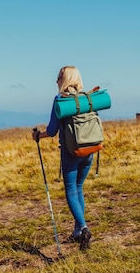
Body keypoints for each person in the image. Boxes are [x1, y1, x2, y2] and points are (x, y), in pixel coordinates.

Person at [32, 66, 94, 251]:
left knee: (71, 190)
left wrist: (38, 136)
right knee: (79, 188)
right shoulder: (85, 98)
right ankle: (78, 229)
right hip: (89, 149)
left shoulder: (60, 100)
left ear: (64, 79)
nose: (56, 80)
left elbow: (52, 130)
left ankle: (83, 228)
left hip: (70, 153)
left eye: (58, 76)